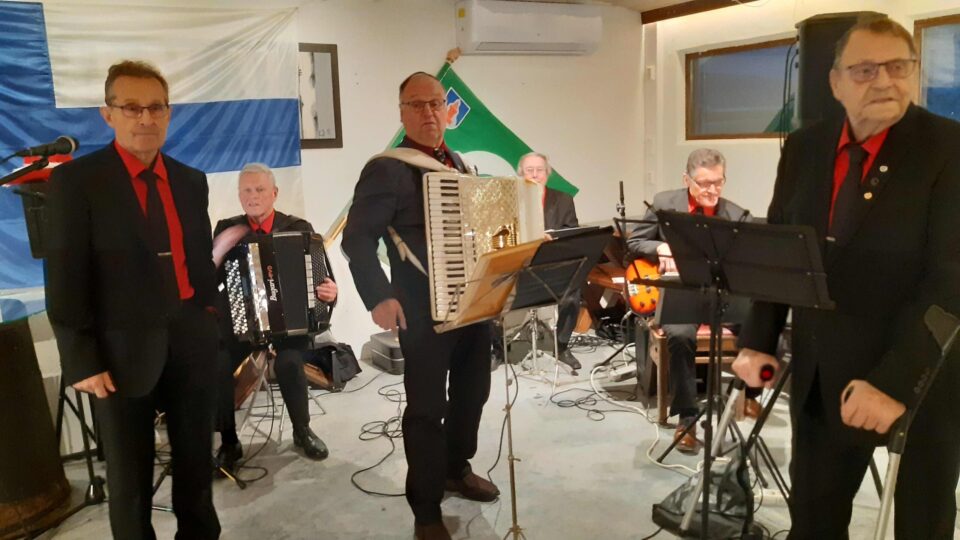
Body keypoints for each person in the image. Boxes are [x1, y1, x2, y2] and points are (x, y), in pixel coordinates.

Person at [732, 16, 960, 539]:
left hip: (921, 376)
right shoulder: (804, 148)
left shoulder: (950, 148)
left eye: (898, 67)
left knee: (924, 525)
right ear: (835, 83)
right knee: (813, 522)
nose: (885, 81)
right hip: (821, 375)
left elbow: (951, 280)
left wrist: (893, 382)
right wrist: (759, 339)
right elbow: (781, 252)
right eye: (865, 70)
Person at [44, 60, 220, 538]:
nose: (146, 118)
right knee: (129, 481)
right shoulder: (77, 183)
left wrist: (210, 318)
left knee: (196, 469)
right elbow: (64, 277)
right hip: (118, 350)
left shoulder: (190, 180)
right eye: (132, 108)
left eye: (156, 108)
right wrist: (82, 358)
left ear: (169, 113)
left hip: (190, 340)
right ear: (108, 115)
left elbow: (198, 260)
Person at [341, 71, 499, 540]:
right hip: (420, 307)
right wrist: (378, 296)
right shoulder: (387, 169)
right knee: (427, 408)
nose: (428, 112)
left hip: (472, 301)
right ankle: (426, 510)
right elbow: (357, 239)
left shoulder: (459, 164)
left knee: (473, 393)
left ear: (447, 109)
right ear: (402, 112)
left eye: (435, 103)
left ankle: (456, 468)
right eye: (417, 104)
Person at [626, 148, 760, 454]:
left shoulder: (737, 215)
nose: (712, 190)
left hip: (722, 297)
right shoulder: (664, 203)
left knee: (763, 332)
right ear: (687, 179)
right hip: (681, 295)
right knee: (680, 335)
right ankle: (687, 418)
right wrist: (660, 249)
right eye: (704, 183)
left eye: (718, 182)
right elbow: (635, 242)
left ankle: (746, 396)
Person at [212, 163, 337, 473]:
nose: (253, 196)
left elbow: (324, 282)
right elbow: (209, 281)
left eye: (259, 190)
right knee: (216, 364)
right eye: (246, 191)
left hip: (289, 328)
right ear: (239, 195)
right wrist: (216, 254)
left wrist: (330, 293)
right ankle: (229, 441)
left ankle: (302, 431)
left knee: (289, 362)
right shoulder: (228, 228)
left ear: (275, 193)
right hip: (244, 325)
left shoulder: (299, 227)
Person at [516, 152, 582, 371]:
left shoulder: (563, 199)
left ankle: (561, 345)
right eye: (530, 170)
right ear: (521, 174)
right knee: (490, 291)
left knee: (573, 291)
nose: (535, 175)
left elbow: (571, 234)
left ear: (548, 173)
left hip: (551, 265)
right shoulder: (510, 200)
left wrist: (552, 240)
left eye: (540, 170)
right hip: (518, 265)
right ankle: (497, 349)